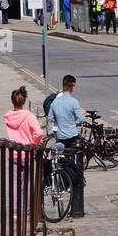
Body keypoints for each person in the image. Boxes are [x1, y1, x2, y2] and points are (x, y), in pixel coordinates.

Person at [48, 74, 87, 216]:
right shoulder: (73, 102)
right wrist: (81, 115)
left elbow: (51, 118)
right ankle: (74, 185)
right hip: (72, 138)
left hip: (60, 139)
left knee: (63, 162)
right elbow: (81, 119)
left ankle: (64, 182)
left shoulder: (55, 103)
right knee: (77, 167)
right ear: (72, 86)